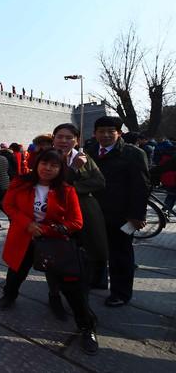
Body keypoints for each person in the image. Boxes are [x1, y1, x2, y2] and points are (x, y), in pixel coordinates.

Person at [0, 148, 98, 355]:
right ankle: (9, 295)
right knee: (17, 270)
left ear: (61, 168)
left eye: (54, 165)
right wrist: (27, 224)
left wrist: (44, 229)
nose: (48, 168)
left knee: (72, 288)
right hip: (24, 238)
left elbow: (76, 222)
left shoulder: (67, 190)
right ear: (37, 164)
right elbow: (8, 204)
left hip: (54, 243)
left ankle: (86, 326)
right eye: (45, 163)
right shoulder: (21, 182)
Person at [86, 116, 150, 307]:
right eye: (101, 131)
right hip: (96, 213)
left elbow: (142, 186)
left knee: (120, 254)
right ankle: (98, 280)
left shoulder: (133, 154)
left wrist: (138, 215)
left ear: (119, 133)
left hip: (122, 215)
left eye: (110, 131)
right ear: (94, 133)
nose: (105, 135)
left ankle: (121, 293)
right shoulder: (90, 152)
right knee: (96, 249)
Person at [52, 124, 108, 290]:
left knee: (91, 246)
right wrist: (74, 169)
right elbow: (52, 185)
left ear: (76, 141)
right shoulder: (47, 158)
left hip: (85, 209)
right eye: (60, 136)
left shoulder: (84, 158)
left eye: (69, 137)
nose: (64, 141)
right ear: (53, 138)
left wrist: (72, 188)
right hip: (57, 211)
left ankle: (90, 279)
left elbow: (99, 182)